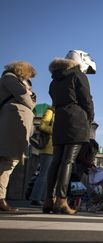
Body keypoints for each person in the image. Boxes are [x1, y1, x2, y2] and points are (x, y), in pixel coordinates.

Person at [44, 50, 95, 214]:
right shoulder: (78, 75)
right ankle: (61, 200)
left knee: (56, 161)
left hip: (60, 120)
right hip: (76, 120)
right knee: (68, 161)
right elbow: (87, 99)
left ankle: (48, 200)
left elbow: (53, 97)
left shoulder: (55, 80)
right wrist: (89, 118)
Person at [0, 61, 37, 212]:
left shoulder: (10, 80)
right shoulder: (10, 78)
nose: (29, 80)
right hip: (13, 123)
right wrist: (30, 95)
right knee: (8, 161)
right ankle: (0, 198)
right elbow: (27, 100)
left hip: (15, 122)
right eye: (29, 76)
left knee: (9, 162)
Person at [29, 106, 54, 206]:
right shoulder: (49, 111)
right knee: (43, 175)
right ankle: (36, 198)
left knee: (46, 175)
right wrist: (56, 130)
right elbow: (42, 126)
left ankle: (41, 198)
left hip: (52, 149)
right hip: (47, 148)